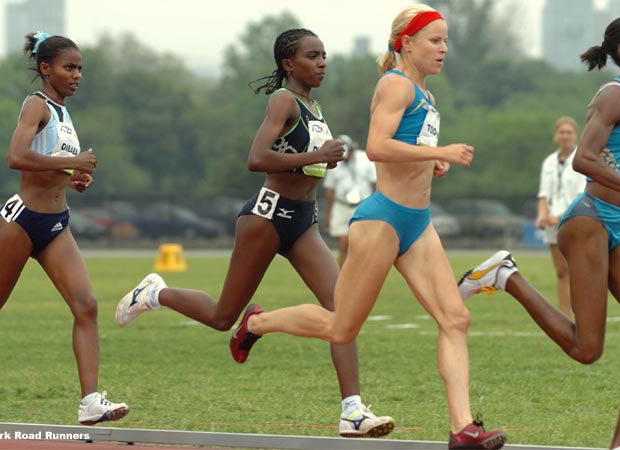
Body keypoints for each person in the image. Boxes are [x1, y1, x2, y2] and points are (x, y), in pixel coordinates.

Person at [230, 6, 507, 449]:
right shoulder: (394, 85)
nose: (444, 49)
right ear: (407, 43)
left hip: (418, 222)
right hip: (381, 221)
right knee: (342, 328)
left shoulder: (426, 96)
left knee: (455, 318)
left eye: (445, 40)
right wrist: (446, 151)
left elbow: (405, 146)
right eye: (435, 40)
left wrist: (433, 159)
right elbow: (377, 147)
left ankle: (462, 429)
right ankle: (258, 324)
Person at [116, 28, 395, 438]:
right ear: (288, 64)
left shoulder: (314, 106)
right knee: (221, 316)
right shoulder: (283, 100)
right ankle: (154, 293)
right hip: (267, 217)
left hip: (302, 220)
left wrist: (321, 163)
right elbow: (257, 158)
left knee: (344, 312)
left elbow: (301, 162)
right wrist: (317, 155)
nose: (322, 63)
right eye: (312, 56)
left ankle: (352, 411)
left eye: (323, 56)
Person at [0, 32, 129, 425]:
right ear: (46, 69)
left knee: (87, 305)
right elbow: (16, 157)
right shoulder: (37, 105)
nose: (77, 75)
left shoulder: (64, 113)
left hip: (56, 224)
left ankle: (90, 402)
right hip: (22, 221)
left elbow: (53, 165)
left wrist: (74, 177)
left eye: (80, 68)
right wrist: (73, 162)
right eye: (69, 67)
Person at [458, 16, 620, 450]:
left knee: (589, 349)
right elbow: (583, 160)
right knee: (587, 349)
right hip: (591, 219)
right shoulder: (614, 95)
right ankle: (505, 276)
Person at [535, 116, 586, 317]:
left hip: (575, 220)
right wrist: (541, 215)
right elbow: (543, 195)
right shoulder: (548, 161)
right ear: (556, 135)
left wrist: (560, 216)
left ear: (576, 135)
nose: (565, 136)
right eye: (562, 132)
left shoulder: (581, 159)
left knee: (578, 270)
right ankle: (565, 316)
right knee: (561, 271)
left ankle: (583, 313)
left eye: (569, 132)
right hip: (552, 225)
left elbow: (582, 195)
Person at [323, 134, 376, 267]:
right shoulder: (334, 162)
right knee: (343, 241)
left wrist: (376, 207)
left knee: (360, 241)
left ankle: (360, 271)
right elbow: (330, 190)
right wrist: (328, 214)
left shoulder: (365, 160)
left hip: (363, 205)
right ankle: (343, 273)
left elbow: (374, 184)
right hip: (341, 205)